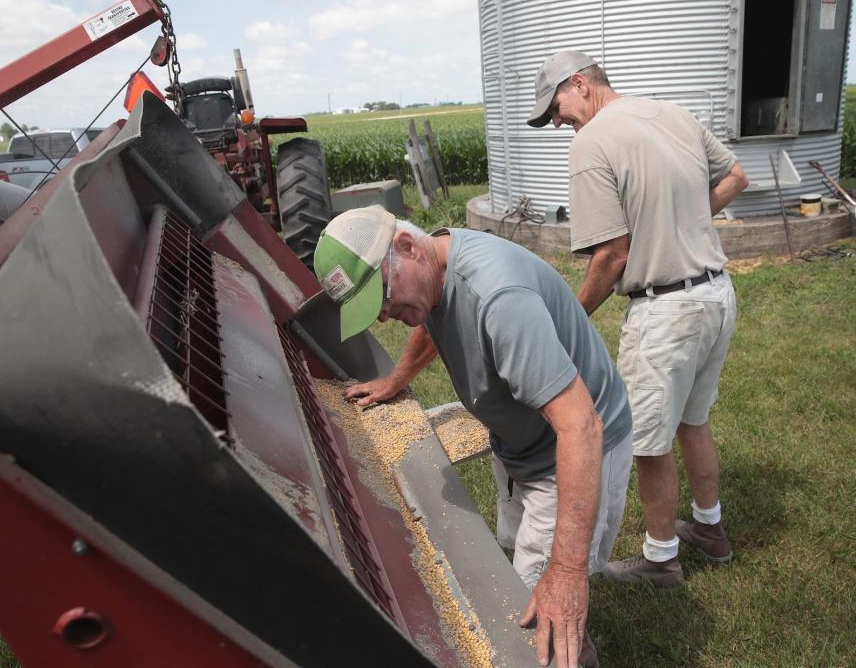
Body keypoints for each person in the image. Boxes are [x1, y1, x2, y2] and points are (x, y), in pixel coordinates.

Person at [313, 205, 634, 668]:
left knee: (532, 617)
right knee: (524, 586)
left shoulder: (500, 297)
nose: (384, 316)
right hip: (524, 443)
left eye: (383, 297)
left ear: (406, 246)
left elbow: (581, 427)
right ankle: (570, 644)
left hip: (570, 452)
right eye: (374, 309)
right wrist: (397, 378)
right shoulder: (434, 267)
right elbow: (426, 315)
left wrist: (566, 571)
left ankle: (567, 649)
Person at [526, 50, 748, 585]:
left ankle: (661, 557)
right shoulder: (673, 113)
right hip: (717, 296)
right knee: (693, 421)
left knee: (648, 443)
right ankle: (710, 528)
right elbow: (736, 177)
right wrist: (683, 221)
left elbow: (612, 255)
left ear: (579, 84)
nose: (556, 123)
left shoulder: (593, 141)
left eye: (554, 108)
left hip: (667, 313)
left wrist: (570, 317)